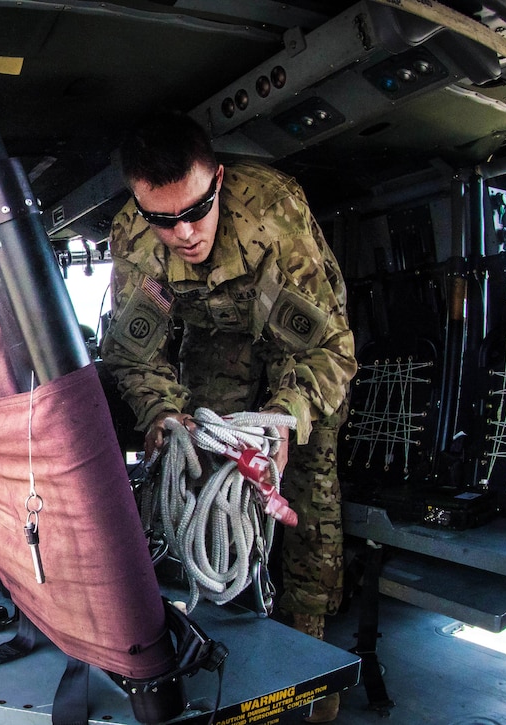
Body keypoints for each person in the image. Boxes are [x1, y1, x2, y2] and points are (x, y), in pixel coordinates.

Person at [101, 111, 356, 723]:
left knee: (307, 505)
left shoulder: (272, 215)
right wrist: (164, 412)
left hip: (301, 355)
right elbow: (135, 355)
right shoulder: (135, 241)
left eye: (197, 209)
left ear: (217, 178)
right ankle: (237, 652)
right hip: (216, 353)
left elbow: (329, 348)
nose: (185, 233)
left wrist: (285, 419)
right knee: (214, 500)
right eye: (164, 219)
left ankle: (314, 664)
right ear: (140, 205)